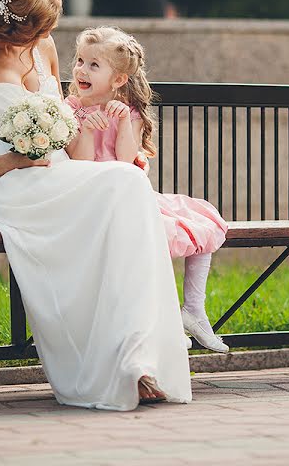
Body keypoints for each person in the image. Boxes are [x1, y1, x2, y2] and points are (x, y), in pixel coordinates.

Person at [0, 0, 191, 410]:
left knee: (127, 185)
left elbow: (63, 117)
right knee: (122, 188)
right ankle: (107, 362)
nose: (37, 39)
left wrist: (76, 132)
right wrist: (2, 163)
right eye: (29, 29)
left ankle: (136, 358)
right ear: (1, 17)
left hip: (50, 173)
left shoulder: (40, 45)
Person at [65, 26, 229, 354]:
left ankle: (194, 310)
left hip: (130, 196)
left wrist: (123, 121)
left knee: (200, 222)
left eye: (94, 65)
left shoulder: (131, 113)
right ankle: (163, 320)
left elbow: (127, 162)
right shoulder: (70, 108)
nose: (81, 70)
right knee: (146, 236)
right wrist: (83, 126)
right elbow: (81, 164)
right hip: (95, 201)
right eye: (80, 61)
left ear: (118, 80)